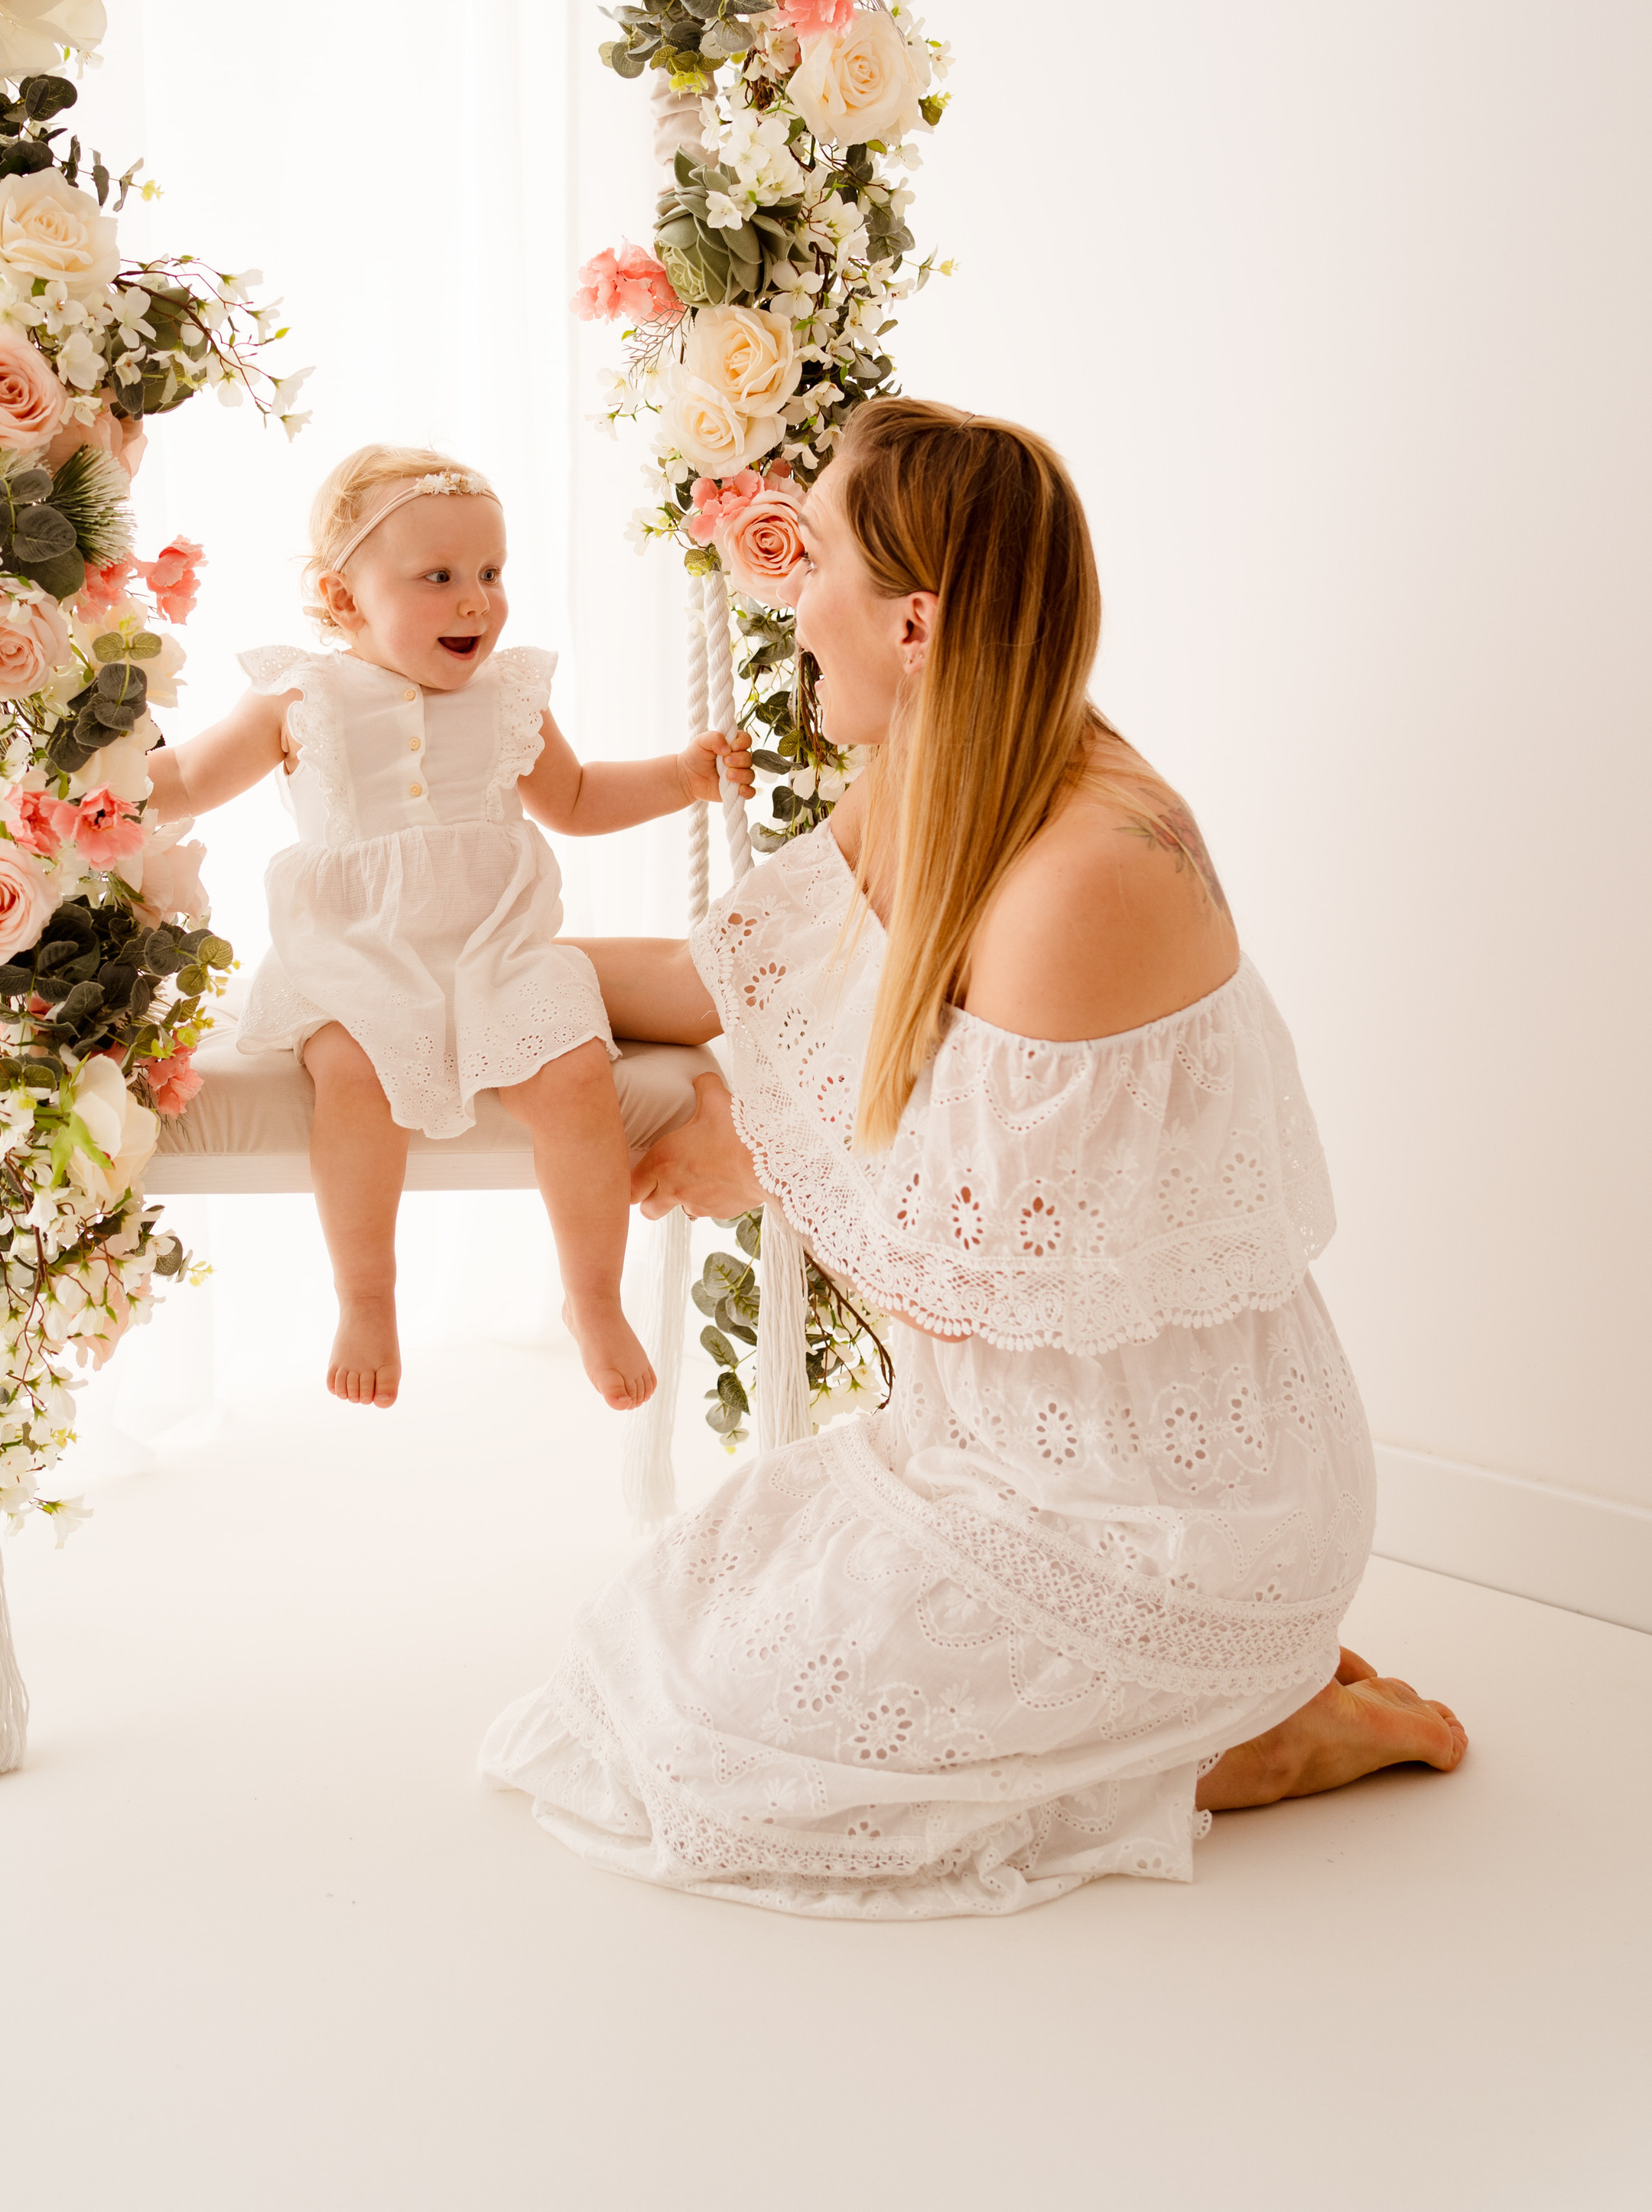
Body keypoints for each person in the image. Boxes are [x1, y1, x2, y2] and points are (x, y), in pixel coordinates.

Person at [482, 399, 1466, 1918]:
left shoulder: (1086, 873)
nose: (787, 598)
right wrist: (499, 986)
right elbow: (734, 978)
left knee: (718, 1761)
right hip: (1001, 1450)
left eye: (808, 561)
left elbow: (974, 1283)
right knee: (652, 1640)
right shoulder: (935, 764)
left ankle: (1249, 1722)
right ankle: (1196, 1708)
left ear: (917, 621)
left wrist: (751, 1157)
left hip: (1157, 1507)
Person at [143, 443, 753, 1415]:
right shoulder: (300, 695)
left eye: (490, 573)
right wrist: (96, 788)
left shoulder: (510, 695)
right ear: (343, 598)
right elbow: (185, 781)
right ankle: (367, 1297)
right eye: (438, 578)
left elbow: (580, 799)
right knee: (357, 1075)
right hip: (355, 953)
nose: (477, 601)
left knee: (575, 1073)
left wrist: (683, 777)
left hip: (497, 949)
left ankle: (593, 1296)